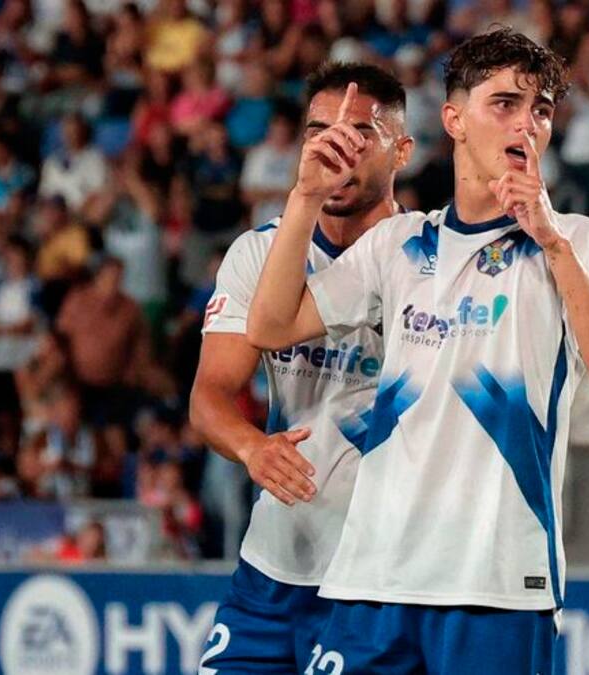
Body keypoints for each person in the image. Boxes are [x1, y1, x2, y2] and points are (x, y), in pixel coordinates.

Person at [248, 29, 589, 673]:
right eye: (505, 104)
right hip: (372, 581)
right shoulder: (399, 244)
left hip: (496, 586)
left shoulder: (576, 241)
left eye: (541, 109)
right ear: (454, 120)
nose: (527, 123)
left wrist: (550, 240)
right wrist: (306, 196)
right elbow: (270, 327)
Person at [191, 62, 410, 672]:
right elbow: (210, 394)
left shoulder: (427, 261)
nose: (337, 144)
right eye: (320, 128)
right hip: (271, 562)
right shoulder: (258, 252)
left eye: (360, 132)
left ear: (402, 152)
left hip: (371, 575)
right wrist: (252, 448)